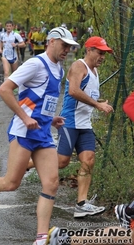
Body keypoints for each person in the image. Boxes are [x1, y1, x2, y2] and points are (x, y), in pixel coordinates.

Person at [0, 27, 79, 245]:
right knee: (11, 182)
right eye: (64, 45)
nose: (67, 50)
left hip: (43, 133)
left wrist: (50, 119)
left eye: (70, 47)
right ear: (51, 41)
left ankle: (41, 238)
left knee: (51, 183)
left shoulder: (59, 69)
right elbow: (4, 90)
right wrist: (24, 117)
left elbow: (40, 100)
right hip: (23, 131)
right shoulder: (35, 64)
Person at [57, 36, 113, 218]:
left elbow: (85, 95)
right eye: (100, 52)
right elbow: (73, 91)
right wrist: (98, 105)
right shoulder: (78, 66)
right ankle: (28, 163)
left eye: (105, 53)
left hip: (84, 125)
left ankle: (81, 203)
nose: (103, 56)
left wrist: (98, 102)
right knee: (61, 162)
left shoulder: (95, 72)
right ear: (89, 50)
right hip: (69, 121)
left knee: (88, 160)